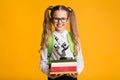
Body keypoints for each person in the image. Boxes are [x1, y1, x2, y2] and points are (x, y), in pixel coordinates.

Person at [40, 5, 84, 80]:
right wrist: (49, 72)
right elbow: (43, 62)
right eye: (56, 18)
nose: (60, 22)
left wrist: (77, 71)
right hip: (54, 77)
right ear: (51, 19)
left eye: (63, 18)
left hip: (71, 77)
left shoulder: (74, 37)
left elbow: (80, 60)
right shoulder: (48, 38)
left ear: (67, 20)